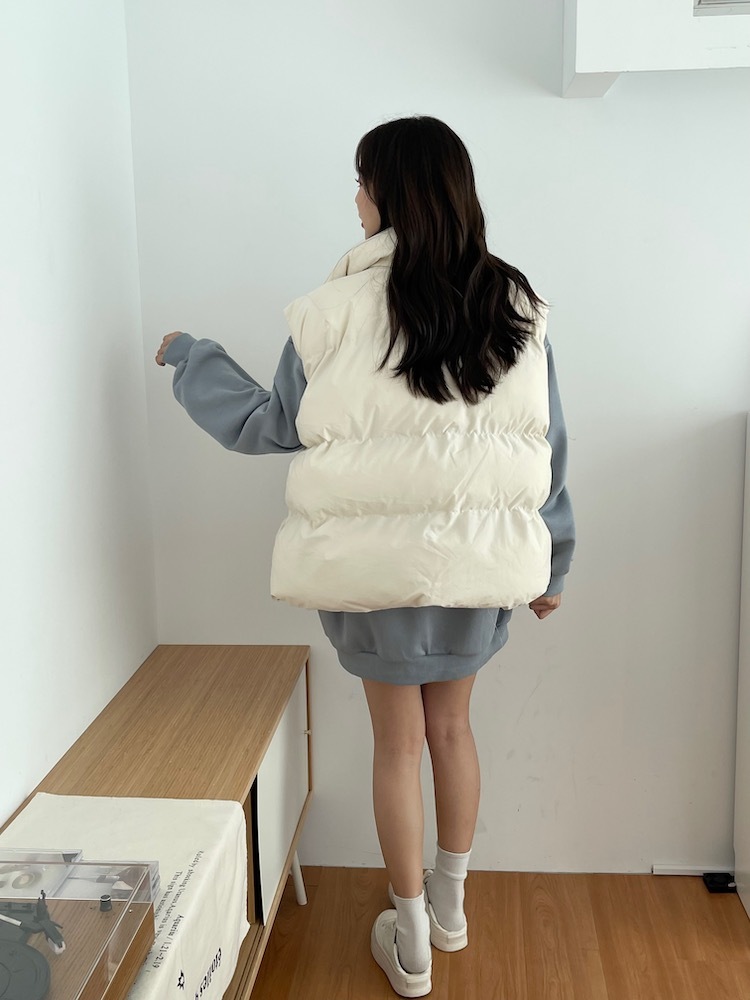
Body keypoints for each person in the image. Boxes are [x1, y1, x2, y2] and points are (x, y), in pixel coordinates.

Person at [156, 115, 574, 999]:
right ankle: (450, 911)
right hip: (477, 570)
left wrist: (194, 359)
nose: (354, 198)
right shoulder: (516, 306)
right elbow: (542, 446)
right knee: (453, 731)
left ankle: (410, 938)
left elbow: (269, 425)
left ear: (388, 191)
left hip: (372, 573)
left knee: (397, 745)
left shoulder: (330, 312)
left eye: (360, 180)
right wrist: (555, 563)